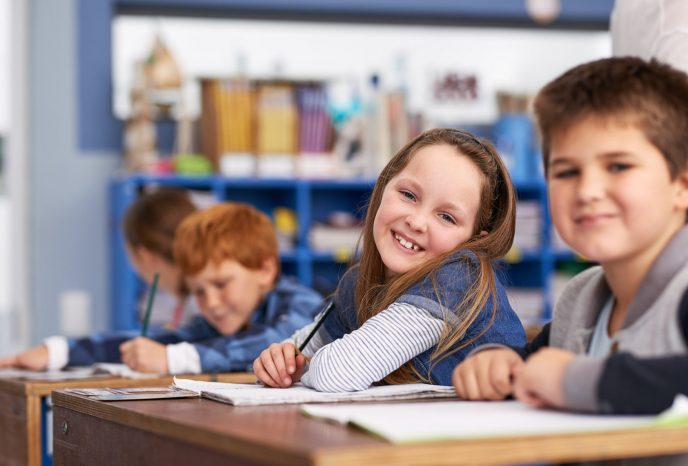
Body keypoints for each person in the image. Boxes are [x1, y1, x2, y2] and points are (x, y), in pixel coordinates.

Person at [453, 57, 688, 421]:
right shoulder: (579, 298)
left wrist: (573, 381)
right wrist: (498, 363)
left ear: (682, 186)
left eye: (618, 166)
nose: (588, 190)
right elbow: (536, 366)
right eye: (566, 172)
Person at [253, 128, 526, 391]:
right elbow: (295, 352)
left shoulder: (459, 277)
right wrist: (279, 361)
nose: (417, 222)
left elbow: (336, 372)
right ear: (384, 187)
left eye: (446, 217)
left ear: (474, 239)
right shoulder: (359, 283)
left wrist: (308, 366)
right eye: (408, 195)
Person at [0, 202, 323, 374]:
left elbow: (277, 344)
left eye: (221, 284)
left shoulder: (301, 304)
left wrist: (173, 359)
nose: (210, 302)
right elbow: (157, 343)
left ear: (265, 270)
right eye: (198, 290)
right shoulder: (223, 320)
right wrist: (60, 351)